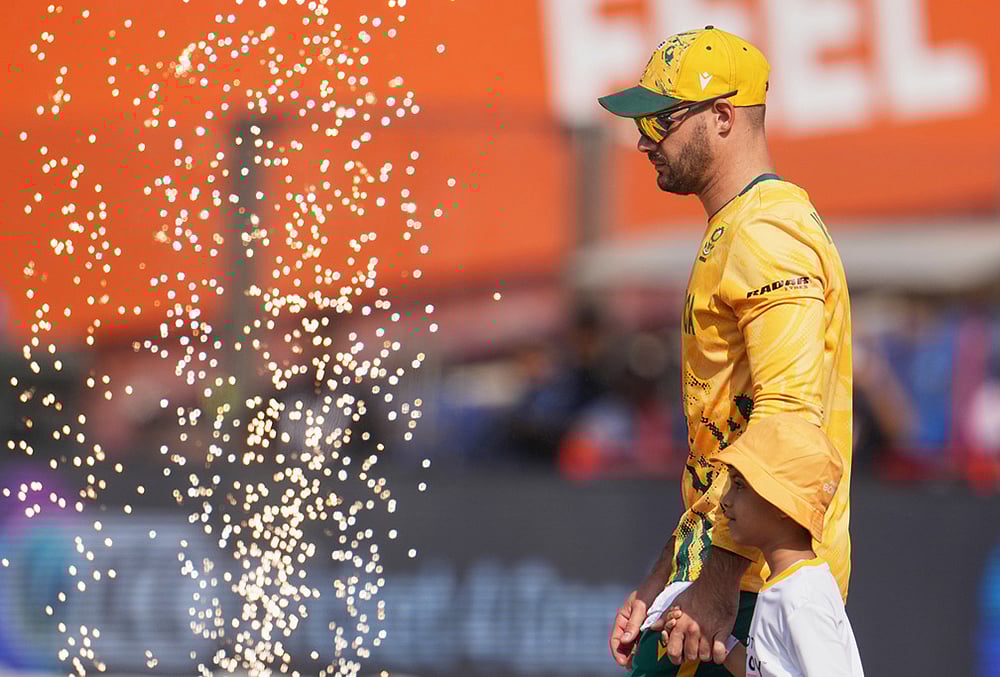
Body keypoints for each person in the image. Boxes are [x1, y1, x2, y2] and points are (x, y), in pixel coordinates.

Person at [598, 26, 853, 675]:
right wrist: (661, 579)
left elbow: (786, 417)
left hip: (746, 590)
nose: (643, 140)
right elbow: (720, 453)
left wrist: (716, 581)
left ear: (722, 117)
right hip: (720, 580)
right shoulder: (740, 226)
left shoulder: (767, 230)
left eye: (661, 120)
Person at [663, 414, 864, 676]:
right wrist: (718, 640)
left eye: (739, 486)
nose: (725, 500)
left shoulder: (802, 596)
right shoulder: (787, 586)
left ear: (783, 503)